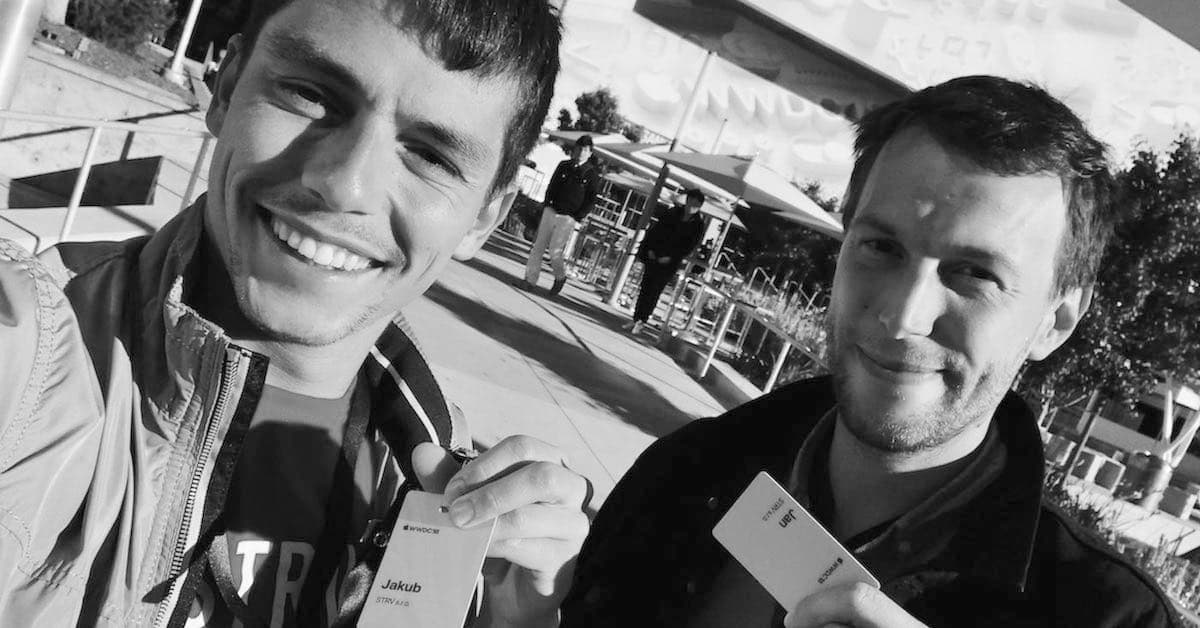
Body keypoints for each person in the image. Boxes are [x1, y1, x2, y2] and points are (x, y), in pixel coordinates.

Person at [0, 1, 591, 626]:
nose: (345, 185)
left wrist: (507, 618)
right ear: (226, 88)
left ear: (483, 219)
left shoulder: (435, 473)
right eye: (312, 95)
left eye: (433, 157)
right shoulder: (32, 354)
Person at [561, 75, 1183, 627]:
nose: (903, 316)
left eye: (973, 274)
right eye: (882, 248)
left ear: (1058, 319)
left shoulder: (1109, 617)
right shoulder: (686, 471)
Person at [522, 134, 600, 294]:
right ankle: (529, 280)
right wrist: (547, 202)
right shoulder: (564, 165)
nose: (580, 152)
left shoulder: (591, 174)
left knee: (554, 250)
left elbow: (591, 199)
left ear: (590, 153)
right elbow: (552, 185)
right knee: (538, 246)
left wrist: (579, 216)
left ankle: (560, 276)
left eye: (584, 150)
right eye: (578, 148)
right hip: (551, 210)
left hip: (568, 217)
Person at [624, 188, 707, 335]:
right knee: (645, 287)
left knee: (655, 290)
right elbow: (657, 230)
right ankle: (636, 317)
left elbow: (689, 245)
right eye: (689, 201)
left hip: (670, 261)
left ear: (699, 206)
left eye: (695, 204)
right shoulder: (673, 213)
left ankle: (642, 320)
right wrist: (650, 249)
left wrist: (672, 257)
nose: (690, 206)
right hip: (655, 254)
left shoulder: (698, 224)